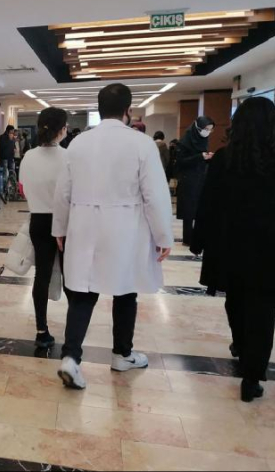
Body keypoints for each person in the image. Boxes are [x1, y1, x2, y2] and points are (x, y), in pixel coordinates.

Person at [52, 83, 173, 390]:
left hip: (83, 225)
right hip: (125, 227)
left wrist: (59, 229)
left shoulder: (78, 144)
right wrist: (164, 235)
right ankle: (122, 354)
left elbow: (63, 192)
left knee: (82, 293)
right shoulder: (142, 144)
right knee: (125, 289)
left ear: (99, 108)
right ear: (128, 111)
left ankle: (71, 358)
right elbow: (155, 195)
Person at [191, 97, 275, 403]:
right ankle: (252, 375)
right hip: (273, 247)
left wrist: (199, 239)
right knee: (264, 310)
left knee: (236, 301)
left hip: (231, 245)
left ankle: (241, 344)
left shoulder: (226, 159)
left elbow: (209, 203)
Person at [20, 107, 69, 349]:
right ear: (62, 130)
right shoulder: (68, 157)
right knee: (71, 277)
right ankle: (74, 328)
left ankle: (42, 330)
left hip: (37, 221)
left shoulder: (28, 156)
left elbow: (23, 188)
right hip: (65, 222)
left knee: (42, 276)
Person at [177, 116, 215, 246]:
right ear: (198, 128)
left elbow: (201, 159)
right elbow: (181, 161)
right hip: (188, 180)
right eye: (206, 129)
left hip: (201, 178)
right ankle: (187, 238)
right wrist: (200, 156)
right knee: (188, 210)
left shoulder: (203, 140)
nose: (207, 132)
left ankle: (198, 237)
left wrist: (207, 158)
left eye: (210, 129)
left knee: (200, 208)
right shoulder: (185, 142)